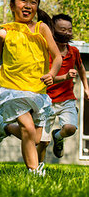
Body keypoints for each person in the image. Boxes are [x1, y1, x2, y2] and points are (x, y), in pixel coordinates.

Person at [0, 0, 62, 176]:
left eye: (33, 2)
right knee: (28, 128)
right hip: (12, 89)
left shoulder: (42, 28)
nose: (28, 5)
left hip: (37, 90)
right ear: (12, 6)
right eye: (23, 1)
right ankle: (33, 171)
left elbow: (57, 56)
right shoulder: (4, 33)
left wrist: (52, 74)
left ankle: (3, 126)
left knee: (36, 138)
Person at [37, 14, 89, 162]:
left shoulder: (74, 51)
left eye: (69, 30)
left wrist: (86, 88)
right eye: (63, 29)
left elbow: (81, 69)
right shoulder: (45, 52)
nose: (67, 33)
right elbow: (44, 79)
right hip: (47, 101)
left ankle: (58, 136)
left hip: (67, 99)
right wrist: (65, 77)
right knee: (43, 141)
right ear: (53, 30)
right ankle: (38, 168)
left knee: (71, 128)